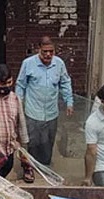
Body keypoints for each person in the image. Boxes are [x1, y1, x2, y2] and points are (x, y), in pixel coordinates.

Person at [16, 36, 74, 173]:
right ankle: (29, 167)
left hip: (51, 112)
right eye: (45, 51)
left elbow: (65, 82)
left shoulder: (59, 64)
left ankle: (44, 167)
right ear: (38, 49)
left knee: (48, 142)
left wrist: (69, 102)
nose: (48, 55)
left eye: (51, 51)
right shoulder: (28, 63)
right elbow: (20, 85)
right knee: (32, 141)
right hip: (33, 111)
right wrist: (18, 104)